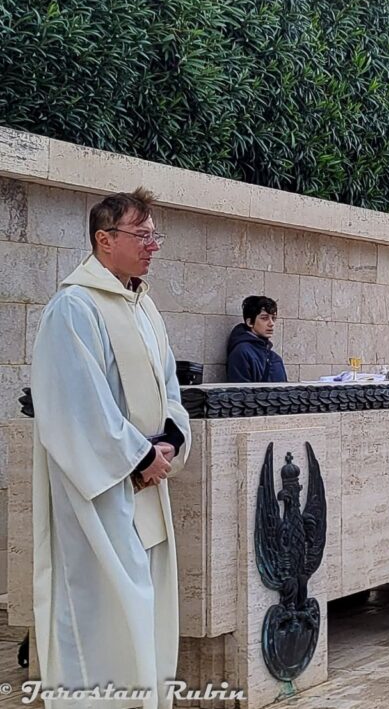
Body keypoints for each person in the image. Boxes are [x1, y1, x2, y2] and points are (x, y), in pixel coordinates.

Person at [30, 187, 191, 709]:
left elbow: (170, 391)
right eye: (141, 234)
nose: (153, 245)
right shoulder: (72, 308)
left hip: (145, 486)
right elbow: (78, 405)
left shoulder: (145, 309)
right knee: (101, 617)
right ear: (104, 240)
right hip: (99, 493)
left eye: (154, 234)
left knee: (145, 615)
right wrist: (139, 457)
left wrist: (168, 442)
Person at [226, 295, 287, 383]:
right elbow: (240, 393)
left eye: (273, 318)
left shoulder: (275, 358)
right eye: (264, 318)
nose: (271, 323)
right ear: (250, 322)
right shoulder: (242, 352)